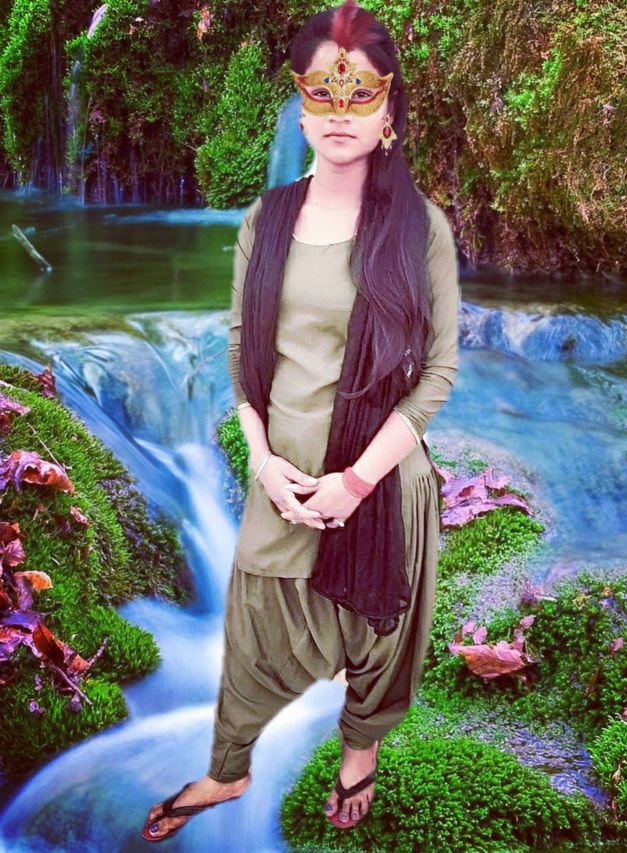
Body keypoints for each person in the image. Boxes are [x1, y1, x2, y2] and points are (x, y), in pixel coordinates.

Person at [142, 0, 459, 842]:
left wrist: (356, 482)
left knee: (379, 629)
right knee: (253, 627)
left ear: (389, 111)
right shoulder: (267, 219)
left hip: (378, 476)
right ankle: (228, 769)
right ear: (302, 108)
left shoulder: (420, 230)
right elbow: (244, 353)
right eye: (323, 93)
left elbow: (437, 373)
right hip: (281, 469)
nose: (340, 112)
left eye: (361, 94)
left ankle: (360, 754)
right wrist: (260, 460)